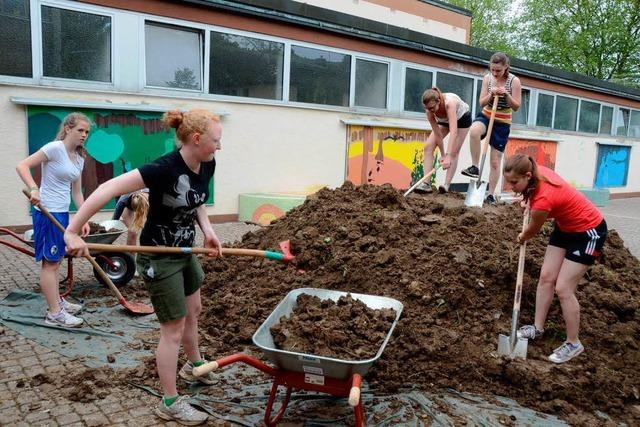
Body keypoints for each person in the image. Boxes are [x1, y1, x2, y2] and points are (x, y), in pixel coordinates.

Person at [64, 109, 223, 425]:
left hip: (183, 250)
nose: (219, 146)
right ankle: (170, 401)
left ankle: (194, 366)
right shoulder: (163, 169)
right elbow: (106, 190)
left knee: (194, 309)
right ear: (196, 139)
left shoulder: (207, 163)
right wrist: (71, 230)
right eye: (216, 140)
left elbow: (197, 198)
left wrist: (208, 229)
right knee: (173, 328)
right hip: (159, 256)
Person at [503, 154, 607, 364]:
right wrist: (526, 199)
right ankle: (537, 328)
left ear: (528, 175)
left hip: (589, 232)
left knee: (563, 288)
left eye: (514, 183)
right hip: (566, 226)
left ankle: (573, 343)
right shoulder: (536, 176)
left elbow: (532, 229)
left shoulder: (543, 198)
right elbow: (539, 205)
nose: (510, 186)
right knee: (546, 277)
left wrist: (522, 236)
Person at [15, 112, 92, 328]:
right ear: (68, 129)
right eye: (80, 130)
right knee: (50, 264)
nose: (84, 135)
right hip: (47, 212)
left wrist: (82, 216)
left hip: (62, 213)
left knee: (55, 261)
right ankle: (54, 314)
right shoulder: (54, 148)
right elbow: (22, 165)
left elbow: (76, 192)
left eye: (87, 132)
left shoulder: (79, 158)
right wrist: (33, 188)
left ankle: (57, 301)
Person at [461, 52, 522, 205]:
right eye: (492, 69)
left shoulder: (514, 81)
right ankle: (475, 166)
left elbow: (516, 106)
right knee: (474, 131)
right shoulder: (487, 78)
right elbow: (482, 102)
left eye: (498, 71)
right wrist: (491, 94)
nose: (495, 73)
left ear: (506, 67)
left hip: (502, 123)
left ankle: (490, 194)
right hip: (487, 115)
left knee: (495, 162)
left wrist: (506, 94)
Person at [418, 87, 472, 193]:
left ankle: (446, 185)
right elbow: (437, 133)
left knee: (454, 152)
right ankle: (426, 183)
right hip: (444, 120)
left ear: (438, 101)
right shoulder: (429, 111)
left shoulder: (449, 104)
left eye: (432, 108)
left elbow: (454, 131)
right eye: (428, 108)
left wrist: (448, 156)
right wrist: (442, 155)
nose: (430, 111)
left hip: (462, 119)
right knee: (428, 146)